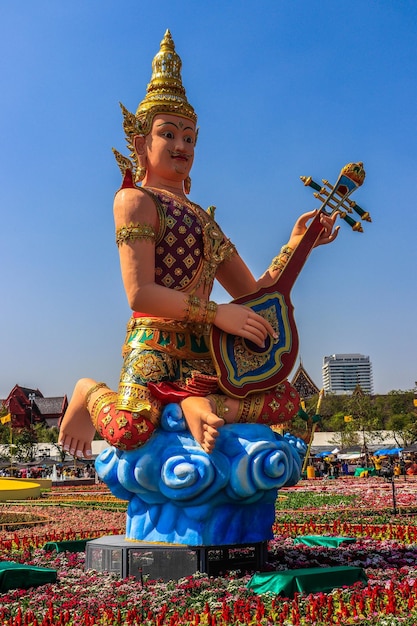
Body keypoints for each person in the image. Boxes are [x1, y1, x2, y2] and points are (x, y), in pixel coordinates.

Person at [58, 30, 339, 458]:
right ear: (141, 143)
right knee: (130, 429)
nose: (181, 146)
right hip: (154, 346)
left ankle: (197, 403)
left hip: (207, 355)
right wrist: (217, 312)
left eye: (189, 138)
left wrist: (298, 245)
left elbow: (252, 296)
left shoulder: (205, 222)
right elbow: (141, 293)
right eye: (168, 134)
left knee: (286, 403)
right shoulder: (135, 200)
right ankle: (87, 391)